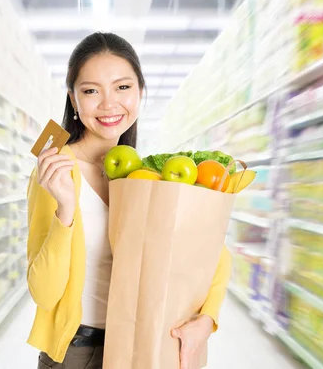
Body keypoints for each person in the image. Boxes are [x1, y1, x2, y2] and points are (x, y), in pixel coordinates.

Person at [26, 32, 232, 369]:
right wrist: (65, 211)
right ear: (73, 99)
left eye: (122, 87)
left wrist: (207, 319)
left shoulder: (145, 174)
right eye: (91, 91)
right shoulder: (57, 171)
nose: (109, 104)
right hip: (79, 352)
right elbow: (44, 294)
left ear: (139, 91)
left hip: (148, 345)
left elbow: (213, 253)